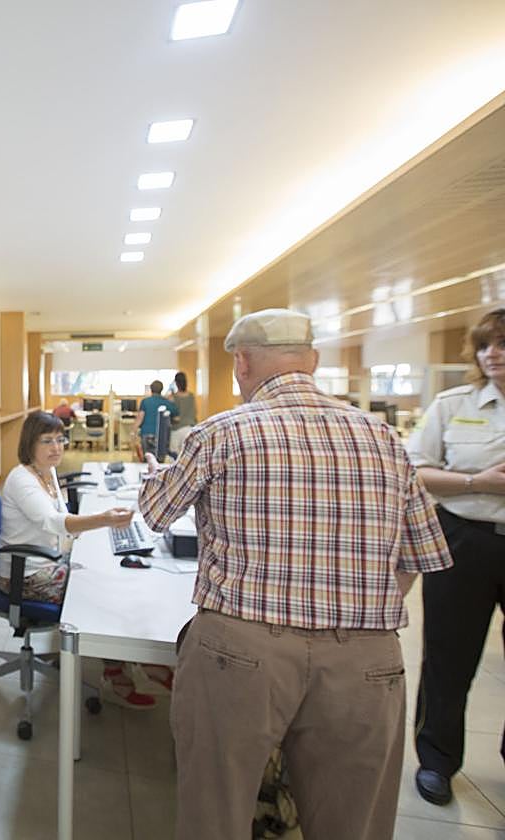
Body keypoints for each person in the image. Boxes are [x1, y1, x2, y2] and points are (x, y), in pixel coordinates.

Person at [138, 308, 452, 840]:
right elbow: (417, 557)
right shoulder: (384, 439)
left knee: (215, 813)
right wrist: (352, 609)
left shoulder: (221, 432)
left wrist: (156, 475)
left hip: (241, 651)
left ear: (241, 363)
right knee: (350, 822)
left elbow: (156, 513)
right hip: (365, 661)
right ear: (314, 359)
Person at [405, 307, 505, 807]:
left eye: (503, 344)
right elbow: (416, 471)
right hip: (465, 536)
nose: (493, 354)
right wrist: (476, 482)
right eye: (486, 345)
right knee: (447, 655)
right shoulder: (453, 404)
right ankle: (437, 761)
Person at [0, 410, 162, 708]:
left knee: (107, 576)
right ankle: (117, 675)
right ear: (29, 444)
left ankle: (134, 663)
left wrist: (93, 529)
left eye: (60, 440)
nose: (56, 447)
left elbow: (64, 522)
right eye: (46, 441)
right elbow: (55, 522)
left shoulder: (45, 472)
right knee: (99, 591)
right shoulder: (22, 480)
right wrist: (104, 520)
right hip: (26, 574)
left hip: (50, 559)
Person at [135, 380, 177, 459]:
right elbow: (176, 417)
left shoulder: (145, 401)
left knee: (147, 459)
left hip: (146, 434)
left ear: (151, 389)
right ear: (161, 390)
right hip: (161, 435)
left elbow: (140, 418)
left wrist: (133, 432)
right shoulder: (166, 402)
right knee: (159, 461)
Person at [168, 371, 197, 453]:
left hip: (177, 429)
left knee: (174, 457)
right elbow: (195, 412)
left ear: (176, 383)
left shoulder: (173, 397)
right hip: (190, 429)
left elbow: (170, 415)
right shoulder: (191, 396)